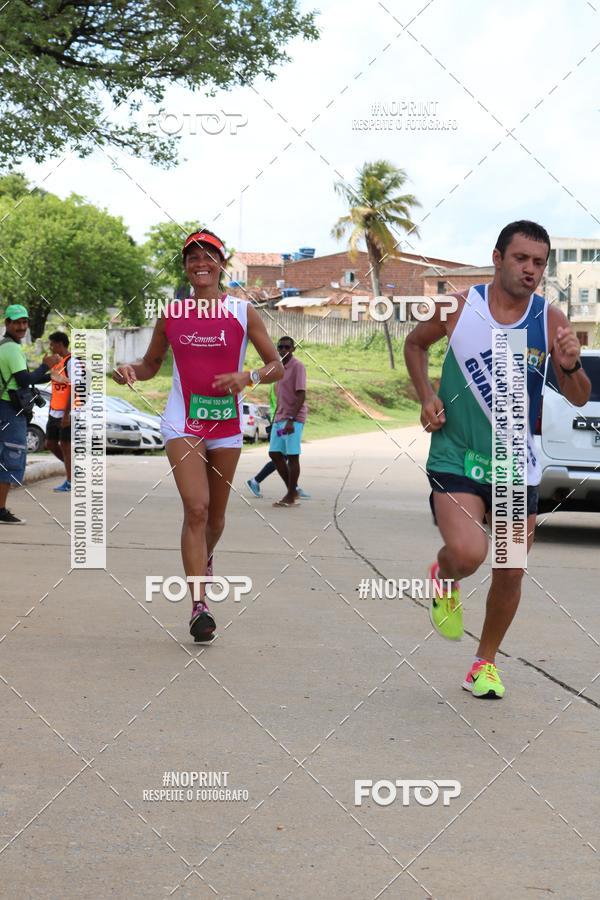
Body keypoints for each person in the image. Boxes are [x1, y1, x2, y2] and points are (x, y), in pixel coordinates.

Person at [404, 220, 591, 699]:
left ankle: (483, 663)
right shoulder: (459, 306)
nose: (530, 269)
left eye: (538, 262)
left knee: (510, 570)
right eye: (521, 259)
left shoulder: (550, 319)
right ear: (497, 257)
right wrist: (426, 395)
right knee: (468, 554)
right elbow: (415, 343)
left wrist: (569, 365)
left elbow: (577, 396)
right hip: (457, 454)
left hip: (514, 462)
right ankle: (445, 576)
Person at [113, 229, 284, 641]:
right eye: (192, 257)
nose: (200, 262)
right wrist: (133, 371)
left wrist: (249, 376)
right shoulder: (171, 315)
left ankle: (204, 559)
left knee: (217, 517)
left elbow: (276, 365)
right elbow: (151, 364)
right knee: (197, 509)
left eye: (209, 256)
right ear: (186, 267)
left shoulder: (244, 313)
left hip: (225, 424)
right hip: (181, 422)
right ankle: (198, 607)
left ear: (222, 264)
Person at [0, 305, 59, 524]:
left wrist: (48, 375)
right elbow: (24, 380)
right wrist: (44, 366)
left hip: (6, 408)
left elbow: (23, 377)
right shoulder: (12, 349)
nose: (21, 326)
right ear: (7, 323)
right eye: (16, 322)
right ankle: (1, 510)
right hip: (9, 409)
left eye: (24, 322)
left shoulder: (6, 346)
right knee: (10, 457)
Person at [246, 382, 310, 499]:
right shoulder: (279, 384)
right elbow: (281, 403)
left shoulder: (276, 383)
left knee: (281, 456)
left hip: (279, 421)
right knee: (283, 456)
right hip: (281, 422)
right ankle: (292, 488)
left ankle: (257, 481)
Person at [268, 337, 308, 508]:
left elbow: (301, 394)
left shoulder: (297, 367)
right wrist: (274, 420)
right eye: (280, 347)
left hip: (293, 421)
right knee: (275, 453)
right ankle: (292, 491)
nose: (283, 350)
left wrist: (291, 419)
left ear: (293, 349)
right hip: (280, 420)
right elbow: (279, 398)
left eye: (287, 347)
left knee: (292, 456)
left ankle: (291, 495)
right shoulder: (279, 369)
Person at [45, 331, 72, 492]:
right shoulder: (59, 363)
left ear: (60, 344)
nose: (50, 347)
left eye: (52, 343)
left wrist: (67, 414)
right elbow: (55, 383)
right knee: (50, 443)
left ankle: (70, 481)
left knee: (65, 445)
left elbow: (74, 388)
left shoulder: (72, 362)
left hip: (67, 413)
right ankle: (74, 471)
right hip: (54, 411)